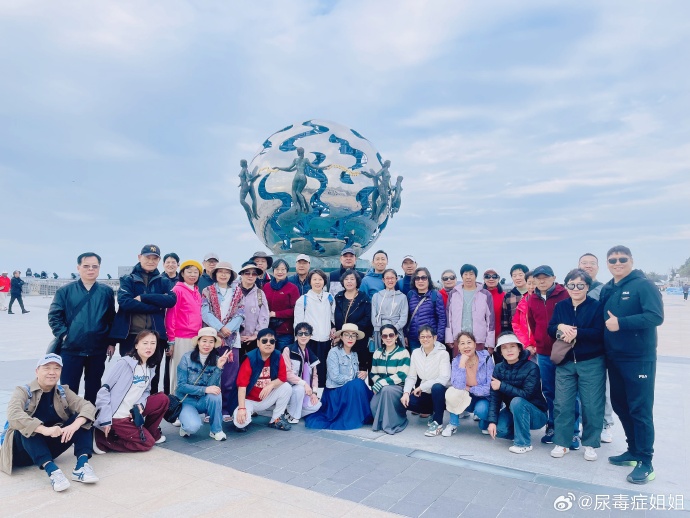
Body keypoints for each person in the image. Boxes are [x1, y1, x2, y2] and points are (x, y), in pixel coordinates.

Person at [601, 245, 663, 484]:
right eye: (612, 259)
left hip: (638, 358)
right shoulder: (610, 287)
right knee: (620, 405)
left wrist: (622, 323)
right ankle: (633, 450)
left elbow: (656, 316)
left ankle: (646, 462)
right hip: (614, 357)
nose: (617, 263)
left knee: (640, 409)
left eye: (622, 259)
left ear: (631, 260)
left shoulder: (643, 285)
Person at [0, 353, 98, 492]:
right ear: (37, 371)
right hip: (23, 451)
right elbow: (13, 414)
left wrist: (74, 425)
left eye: (57, 368)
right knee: (26, 426)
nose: (52, 372)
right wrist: (44, 429)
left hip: (50, 447)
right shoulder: (22, 391)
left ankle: (81, 466)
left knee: (82, 417)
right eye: (47, 368)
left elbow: (88, 407)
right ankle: (53, 472)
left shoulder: (64, 391)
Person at [547, 269, 606, 462]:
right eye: (571, 285)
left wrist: (577, 333)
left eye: (580, 285)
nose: (576, 289)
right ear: (566, 286)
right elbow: (550, 328)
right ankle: (562, 442)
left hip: (591, 362)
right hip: (565, 362)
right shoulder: (561, 306)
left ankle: (590, 444)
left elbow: (599, 333)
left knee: (591, 405)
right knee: (562, 404)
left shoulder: (596, 306)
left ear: (587, 287)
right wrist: (559, 328)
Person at [48, 252, 116, 404]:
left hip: (98, 348)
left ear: (99, 268)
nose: (90, 269)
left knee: (94, 386)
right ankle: (69, 420)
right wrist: (65, 335)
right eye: (86, 266)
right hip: (71, 348)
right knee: (68, 388)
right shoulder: (65, 291)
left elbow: (112, 318)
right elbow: (54, 316)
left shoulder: (106, 292)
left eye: (94, 266)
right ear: (78, 268)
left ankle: (89, 418)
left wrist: (111, 342)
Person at [110, 245, 176, 394]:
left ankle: (150, 411)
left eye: (155, 258)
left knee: (153, 376)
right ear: (139, 257)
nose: (151, 261)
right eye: (148, 257)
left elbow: (171, 300)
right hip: (131, 336)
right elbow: (125, 302)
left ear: (159, 260)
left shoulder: (163, 281)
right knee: (129, 374)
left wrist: (144, 298)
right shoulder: (128, 279)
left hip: (155, 336)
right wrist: (156, 306)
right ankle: (127, 412)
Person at [94, 330, 169, 453]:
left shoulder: (150, 367)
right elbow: (104, 391)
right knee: (147, 444)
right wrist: (105, 419)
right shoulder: (124, 363)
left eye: (153, 343)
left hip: (132, 412)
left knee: (162, 399)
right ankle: (102, 440)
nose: (149, 347)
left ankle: (149, 433)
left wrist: (140, 404)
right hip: (117, 416)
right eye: (145, 343)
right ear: (136, 345)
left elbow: (146, 392)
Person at [526, 265, 572, 446]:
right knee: (549, 391)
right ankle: (552, 425)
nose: (542, 281)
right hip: (544, 353)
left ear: (554, 278)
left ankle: (571, 430)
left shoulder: (565, 295)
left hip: (565, 351)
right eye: (538, 278)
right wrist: (537, 342)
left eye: (545, 277)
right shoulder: (532, 299)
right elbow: (532, 323)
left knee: (569, 393)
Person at [486, 333, 548, 454]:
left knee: (517, 401)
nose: (509, 350)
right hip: (513, 410)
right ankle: (520, 430)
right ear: (500, 352)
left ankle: (523, 443)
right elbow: (495, 397)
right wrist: (492, 422)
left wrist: (502, 386)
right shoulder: (498, 368)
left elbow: (526, 395)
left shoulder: (532, 367)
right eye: (504, 347)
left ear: (519, 348)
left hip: (536, 413)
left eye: (512, 346)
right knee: (501, 430)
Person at [305, 324, 373, 430]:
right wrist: (353, 380)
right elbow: (334, 376)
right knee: (357, 384)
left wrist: (361, 374)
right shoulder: (334, 353)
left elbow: (354, 375)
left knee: (359, 383)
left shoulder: (354, 354)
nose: (350, 338)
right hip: (335, 391)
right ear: (341, 337)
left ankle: (367, 413)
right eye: (347, 335)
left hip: (349, 390)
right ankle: (359, 415)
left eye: (353, 335)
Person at [201, 261, 244, 421]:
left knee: (229, 378)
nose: (224, 274)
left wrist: (229, 329)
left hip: (232, 340)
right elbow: (205, 313)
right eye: (220, 272)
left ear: (231, 275)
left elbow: (241, 313)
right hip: (212, 339)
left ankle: (225, 409)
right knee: (210, 375)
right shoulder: (207, 291)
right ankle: (209, 410)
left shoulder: (238, 292)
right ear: (215, 274)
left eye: (227, 272)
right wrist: (220, 328)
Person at [578, 252, 614, 444]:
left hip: (597, 347)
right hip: (576, 349)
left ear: (598, 267)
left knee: (601, 389)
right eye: (584, 263)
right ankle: (586, 423)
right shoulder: (574, 288)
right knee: (581, 391)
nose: (588, 266)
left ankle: (606, 424)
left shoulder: (604, 289)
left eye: (592, 263)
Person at [177, 327, 231, 441]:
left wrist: (219, 367)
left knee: (215, 394)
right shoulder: (186, 358)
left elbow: (212, 387)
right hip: (187, 400)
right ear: (198, 342)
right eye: (204, 341)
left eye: (211, 342)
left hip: (203, 400)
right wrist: (204, 390)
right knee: (192, 427)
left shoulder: (217, 359)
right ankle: (184, 423)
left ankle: (216, 430)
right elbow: (181, 386)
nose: (207, 345)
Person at [234, 328, 293, 431]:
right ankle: (248, 414)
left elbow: (283, 378)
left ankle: (276, 419)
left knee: (286, 387)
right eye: (264, 341)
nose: (268, 344)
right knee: (240, 424)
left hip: (266, 397)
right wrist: (242, 408)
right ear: (258, 342)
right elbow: (242, 386)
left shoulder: (278, 355)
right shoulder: (250, 358)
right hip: (249, 400)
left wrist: (271, 385)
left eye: (272, 341)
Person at [401, 326, 451, 436]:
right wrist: (406, 392)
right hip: (426, 392)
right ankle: (432, 412)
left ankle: (437, 423)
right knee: (407, 401)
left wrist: (421, 387)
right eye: (422, 337)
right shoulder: (415, 353)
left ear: (435, 338)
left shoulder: (443, 354)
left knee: (437, 387)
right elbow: (412, 376)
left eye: (428, 336)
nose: (425, 339)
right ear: (419, 338)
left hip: (442, 393)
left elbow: (444, 379)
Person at [443, 332, 494, 436]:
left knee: (482, 411)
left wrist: (470, 389)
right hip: (466, 396)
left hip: (484, 397)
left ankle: (484, 421)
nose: (466, 346)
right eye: (462, 343)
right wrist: (462, 364)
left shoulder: (486, 358)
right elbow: (457, 385)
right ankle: (453, 424)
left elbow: (489, 387)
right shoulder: (456, 361)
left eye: (469, 342)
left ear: (475, 344)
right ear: (459, 347)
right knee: (452, 392)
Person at [165, 260, 204, 394]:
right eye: (189, 271)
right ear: (182, 273)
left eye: (196, 272)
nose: (193, 275)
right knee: (179, 371)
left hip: (196, 338)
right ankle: (175, 404)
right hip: (181, 337)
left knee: (192, 372)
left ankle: (188, 403)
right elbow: (171, 316)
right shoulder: (178, 290)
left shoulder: (197, 292)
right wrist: (171, 340)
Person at [294, 269, 335, 388]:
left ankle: (322, 398)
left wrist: (333, 329)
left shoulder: (330, 298)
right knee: (309, 371)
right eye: (314, 279)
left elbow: (333, 318)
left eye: (320, 279)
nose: (318, 282)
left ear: (324, 281)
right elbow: (298, 323)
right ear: (310, 282)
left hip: (326, 341)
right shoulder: (303, 299)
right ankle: (309, 398)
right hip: (309, 341)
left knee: (324, 371)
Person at [445, 264, 495, 356]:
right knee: (460, 366)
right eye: (465, 274)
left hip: (478, 339)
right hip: (459, 339)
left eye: (471, 274)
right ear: (461, 276)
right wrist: (449, 338)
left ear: (475, 276)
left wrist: (490, 343)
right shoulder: (453, 294)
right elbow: (449, 317)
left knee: (478, 367)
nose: (468, 277)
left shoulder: (485, 294)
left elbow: (490, 320)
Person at [370, 324, 410, 434]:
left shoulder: (403, 352)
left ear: (396, 336)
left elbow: (402, 374)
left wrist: (382, 383)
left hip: (398, 388)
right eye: (385, 336)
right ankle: (382, 421)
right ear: (381, 338)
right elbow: (373, 373)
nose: (388, 338)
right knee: (373, 406)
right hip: (382, 388)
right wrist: (379, 383)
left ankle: (392, 424)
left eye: (391, 335)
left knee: (387, 390)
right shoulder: (377, 353)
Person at [282, 322, 322, 423]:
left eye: (306, 333)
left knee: (317, 406)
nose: (303, 336)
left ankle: (291, 411)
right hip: (289, 387)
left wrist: (314, 393)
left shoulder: (311, 355)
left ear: (310, 336)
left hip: (305, 390)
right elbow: (287, 373)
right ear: (296, 335)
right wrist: (304, 384)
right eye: (300, 333)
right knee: (299, 389)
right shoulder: (288, 350)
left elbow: (315, 376)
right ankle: (293, 415)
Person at [333, 269, 373, 371]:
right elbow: (332, 315)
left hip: (358, 338)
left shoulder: (364, 298)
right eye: (346, 279)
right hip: (341, 338)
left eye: (352, 279)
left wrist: (352, 331)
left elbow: (368, 318)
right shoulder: (338, 297)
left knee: (358, 367)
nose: (349, 281)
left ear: (357, 282)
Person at [406, 267, 446, 351]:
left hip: (430, 339)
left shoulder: (435, 295)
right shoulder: (410, 295)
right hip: (413, 339)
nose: (420, 281)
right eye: (417, 278)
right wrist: (405, 335)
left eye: (423, 278)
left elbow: (442, 319)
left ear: (428, 279)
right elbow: (407, 317)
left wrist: (438, 339)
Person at [263, 259, 300, 350]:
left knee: (283, 358)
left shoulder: (292, 288)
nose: (280, 272)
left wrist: (275, 314)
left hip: (285, 332)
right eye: (277, 269)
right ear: (273, 270)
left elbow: (296, 310)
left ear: (287, 271)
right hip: (268, 330)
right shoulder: (266, 286)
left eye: (283, 269)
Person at [237, 261, 270, 359]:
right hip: (235, 339)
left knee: (252, 367)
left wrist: (256, 334)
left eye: (254, 273)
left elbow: (264, 316)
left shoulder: (260, 293)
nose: (250, 276)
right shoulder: (233, 291)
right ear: (242, 274)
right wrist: (236, 335)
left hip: (253, 339)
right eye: (247, 273)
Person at [371, 268, 409, 350]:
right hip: (380, 332)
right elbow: (374, 315)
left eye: (392, 278)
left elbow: (403, 317)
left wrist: (393, 330)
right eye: (387, 278)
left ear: (396, 279)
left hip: (396, 331)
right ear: (383, 280)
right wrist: (381, 330)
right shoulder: (376, 296)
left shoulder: (402, 297)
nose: (390, 280)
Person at [512, 271, 537, 358]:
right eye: (529, 283)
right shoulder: (523, 302)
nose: (531, 287)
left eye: (534, 283)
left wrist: (538, 346)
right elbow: (516, 324)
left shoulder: (546, 302)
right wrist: (527, 344)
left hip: (543, 348)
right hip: (528, 348)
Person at [502, 264, 529, 333]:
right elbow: (505, 318)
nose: (517, 278)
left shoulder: (533, 294)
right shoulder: (508, 296)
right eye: (514, 276)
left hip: (532, 332)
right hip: (514, 333)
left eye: (520, 275)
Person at [483, 268, 504, 342]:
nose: (491, 279)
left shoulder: (505, 296)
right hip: (482, 336)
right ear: (484, 279)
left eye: (494, 276)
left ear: (498, 279)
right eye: (487, 276)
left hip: (501, 336)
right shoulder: (478, 295)